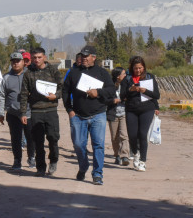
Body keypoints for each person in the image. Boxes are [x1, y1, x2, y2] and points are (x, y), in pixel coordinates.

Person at [62, 45, 115, 185]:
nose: (84, 58)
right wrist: (69, 110)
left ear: (94, 57)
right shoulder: (73, 72)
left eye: (87, 56)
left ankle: (97, 174)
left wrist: (98, 92)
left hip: (98, 115)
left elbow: (111, 90)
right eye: (82, 56)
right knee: (78, 144)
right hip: (78, 116)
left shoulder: (102, 73)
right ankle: (83, 165)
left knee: (98, 145)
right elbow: (65, 91)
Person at [19, 47, 62, 177]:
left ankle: (53, 160)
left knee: (53, 138)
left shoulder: (53, 71)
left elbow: (61, 88)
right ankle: (40, 167)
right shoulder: (28, 73)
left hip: (51, 110)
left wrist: (56, 96)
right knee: (38, 141)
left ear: (44, 57)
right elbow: (24, 94)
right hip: (36, 110)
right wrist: (23, 113)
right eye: (34, 58)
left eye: (39, 57)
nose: (36, 60)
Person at [120, 56, 160, 172]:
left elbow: (157, 95)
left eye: (140, 68)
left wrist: (145, 91)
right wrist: (130, 90)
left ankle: (143, 161)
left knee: (143, 134)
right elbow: (122, 96)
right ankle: (135, 153)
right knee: (132, 135)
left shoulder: (150, 77)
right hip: (131, 109)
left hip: (147, 109)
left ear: (144, 67)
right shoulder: (127, 79)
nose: (138, 70)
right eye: (136, 68)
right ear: (132, 68)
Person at [0, 52, 35, 170]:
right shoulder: (6, 77)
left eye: (18, 61)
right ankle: (17, 160)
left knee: (31, 137)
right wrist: (1, 112)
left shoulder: (30, 75)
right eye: (13, 61)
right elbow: (2, 95)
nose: (15, 63)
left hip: (29, 113)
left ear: (24, 62)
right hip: (13, 113)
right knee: (15, 138)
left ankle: (31, 158)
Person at [108, 67, 130, 166]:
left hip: (124, 113)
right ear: (118, 76)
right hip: (113, 114)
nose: (125, 75)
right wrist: (113, 101)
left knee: (124, 135)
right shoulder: (109, 85)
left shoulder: (126, 84)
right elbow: (104, 99)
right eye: (123, 74)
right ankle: (117, 155)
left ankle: (125, 155)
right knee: (114, 137)